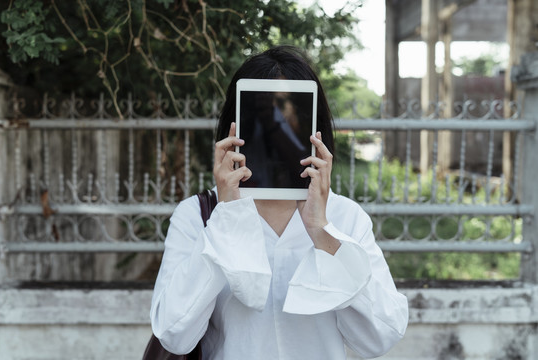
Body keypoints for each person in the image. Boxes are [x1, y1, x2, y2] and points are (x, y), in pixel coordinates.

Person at [150, 46, 408, 359]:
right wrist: (227, 220)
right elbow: (174, 335)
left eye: (288, 111)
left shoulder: (345, 217)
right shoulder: (198, 216)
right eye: (264, 114)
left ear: (315, 128)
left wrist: (322, 232)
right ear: (235, 128)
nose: (277, 128)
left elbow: (380, 338)